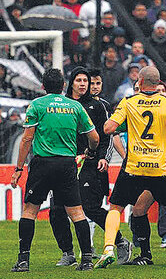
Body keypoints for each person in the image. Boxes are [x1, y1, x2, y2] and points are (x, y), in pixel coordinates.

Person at [95, 66, 166, 268]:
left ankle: (108, 248)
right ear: (159, 84)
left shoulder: (129, 102)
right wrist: (162, 138)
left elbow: (108, 128)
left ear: (140, 82)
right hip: (159, 167)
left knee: (116, 206)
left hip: (134, 166)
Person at [10, 68, 99, 272]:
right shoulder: (75, 106)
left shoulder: (37, 105)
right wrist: (90, 152)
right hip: (67, 164)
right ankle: (86, 259)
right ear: (64, 86)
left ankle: (23, 260)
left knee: (30, 211)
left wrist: (18, 168)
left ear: (42, 86)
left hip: (43, 164)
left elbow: (26, 139)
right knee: (76, 212)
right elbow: (94, 137)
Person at [48, 67, 132, 266]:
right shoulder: (63, 105)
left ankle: (119, 240)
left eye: (86, 80)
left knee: (89, 207)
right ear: (71, 83)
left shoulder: (98, 106)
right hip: (65, 163)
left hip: (91, 163)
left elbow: (107, 136)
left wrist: (103, 157)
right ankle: (67, 252)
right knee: (56, 209)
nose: (84, 84)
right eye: (80, 80)